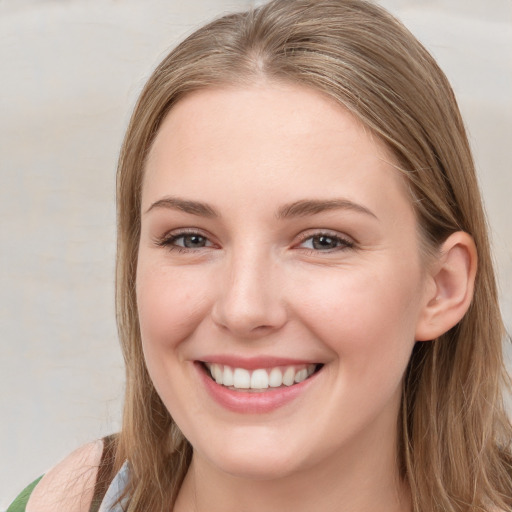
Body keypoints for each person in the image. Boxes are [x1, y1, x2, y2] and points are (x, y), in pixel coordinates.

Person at [8, 0, 512, 511]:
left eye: (323, 241)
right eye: (190, 239)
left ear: (442, 287)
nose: (244, 309)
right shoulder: (63, 499)